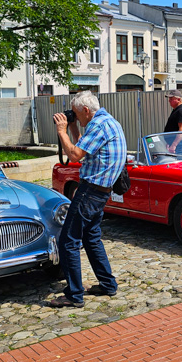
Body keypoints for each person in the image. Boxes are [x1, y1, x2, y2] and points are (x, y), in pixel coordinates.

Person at [49, 91, 127, 307]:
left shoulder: (98, 126)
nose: (75, 117)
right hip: (101, 192)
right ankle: (107, 284)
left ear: (86, 110)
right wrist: (73, 127)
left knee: (68, 241)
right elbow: (84, 148)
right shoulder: (109, 122)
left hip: (89, 192)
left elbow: (74, 155)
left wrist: (61, 130)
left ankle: (74, 295)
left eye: (76, 114)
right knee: (91, 238)